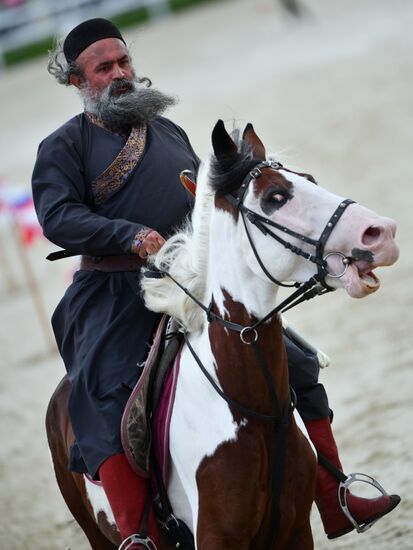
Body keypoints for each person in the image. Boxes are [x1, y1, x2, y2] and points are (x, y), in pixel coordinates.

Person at [32, 18, 399, 549]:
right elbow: (58, 217)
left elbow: (206, 208)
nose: (121, 74)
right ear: (76, 81)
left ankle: (333, 492)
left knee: (293, 360)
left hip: (187, 278)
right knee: (98, 393)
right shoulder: (62, 147)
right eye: (104, 68)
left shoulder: (166, 130)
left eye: (124, 61)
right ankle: (137, 535)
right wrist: (128, 234)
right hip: (112, 293)